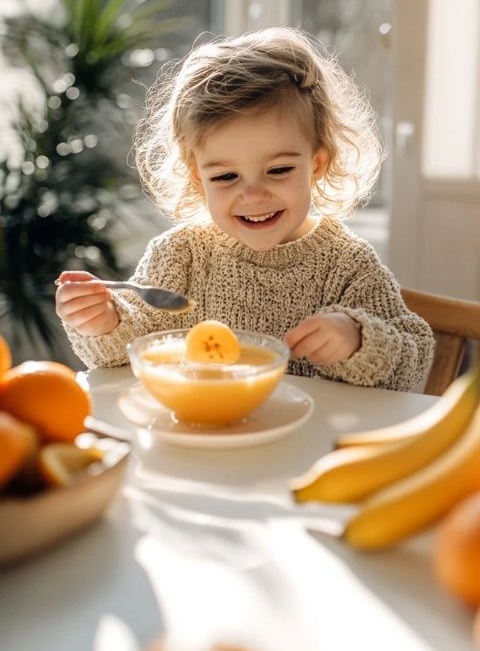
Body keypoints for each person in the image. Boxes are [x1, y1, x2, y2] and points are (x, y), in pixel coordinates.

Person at [56, 27, 434, 391]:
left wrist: (357, 339)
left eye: (279, 170)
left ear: (317, 164)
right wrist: (102, 321)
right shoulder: (182, 255)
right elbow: (124, 352)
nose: (253, 195)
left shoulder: (347, 263)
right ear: (197, 178)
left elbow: (412, 357)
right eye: (225, 177)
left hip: (305, 448)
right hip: (203, 438)